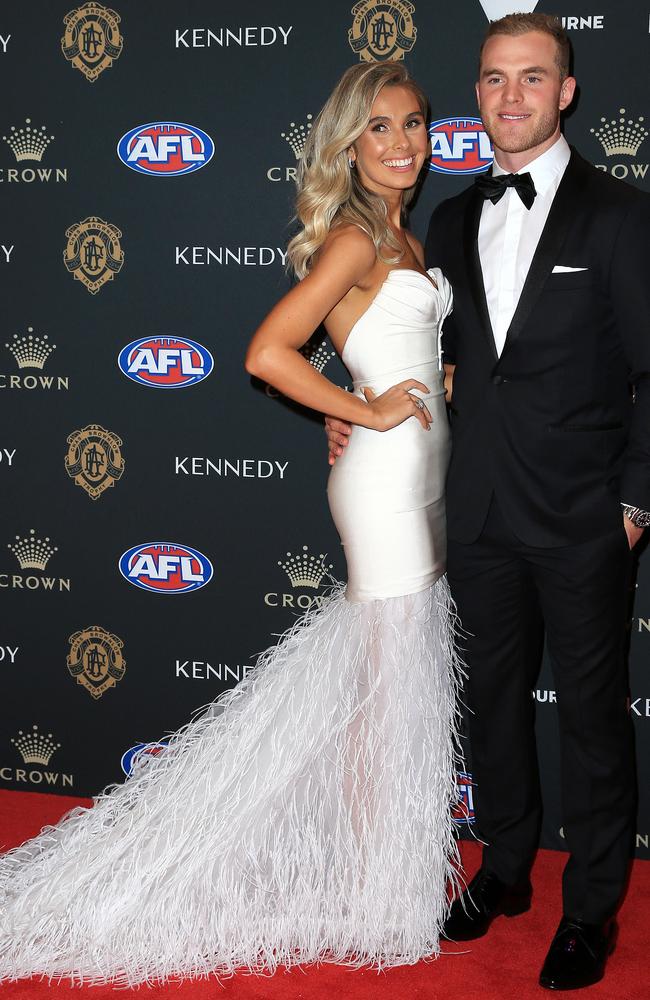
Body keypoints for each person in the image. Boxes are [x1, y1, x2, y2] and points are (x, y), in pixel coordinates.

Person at [0, 63, 463, 985]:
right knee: (389, 684)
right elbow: (266, 352)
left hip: (426, 476)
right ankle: (381, 890)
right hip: (384, 484)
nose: (404, 143)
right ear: (348, 144)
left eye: (413, 124)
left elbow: (397, 340)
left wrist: (431, 379)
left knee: (393, 684)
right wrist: (362, 409)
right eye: (380, 128)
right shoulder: (351, 242)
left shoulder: (404, 239)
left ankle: (384, 875)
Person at [327, 13, 650, 992]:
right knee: (491, 705)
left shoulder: (620, 214)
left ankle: (589, 905)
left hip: (582, 516)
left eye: (530, 77)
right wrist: (351, 412)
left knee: (591, 717)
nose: (508, 95)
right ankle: (503, 866)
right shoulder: (452, 222)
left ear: (564, 92)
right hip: (470, 512)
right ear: (476, 95)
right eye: (490, 79)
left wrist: (632, 503)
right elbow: (438, 363)